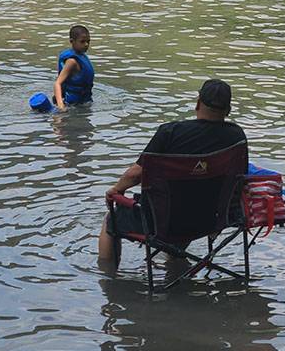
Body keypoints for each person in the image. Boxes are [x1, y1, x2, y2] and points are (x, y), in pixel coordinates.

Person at [98, 79, 245, 263]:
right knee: (193, 200)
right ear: (228, 110)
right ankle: (175, 269)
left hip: (163, 224)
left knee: (110, 219)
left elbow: (135, 174)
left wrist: (116, 190)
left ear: (198, 103)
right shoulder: (237, 137)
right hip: (212, 220)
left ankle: (107, 281)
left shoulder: (171, 132)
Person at [54, 25, 95, 110]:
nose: (86, 44)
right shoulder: (72, 61)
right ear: (72, 41)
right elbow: (57, 83)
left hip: (84, 102)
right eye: (82, 41)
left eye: (88, 41)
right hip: (71, 104)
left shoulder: (82, 57)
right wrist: (61, 107)